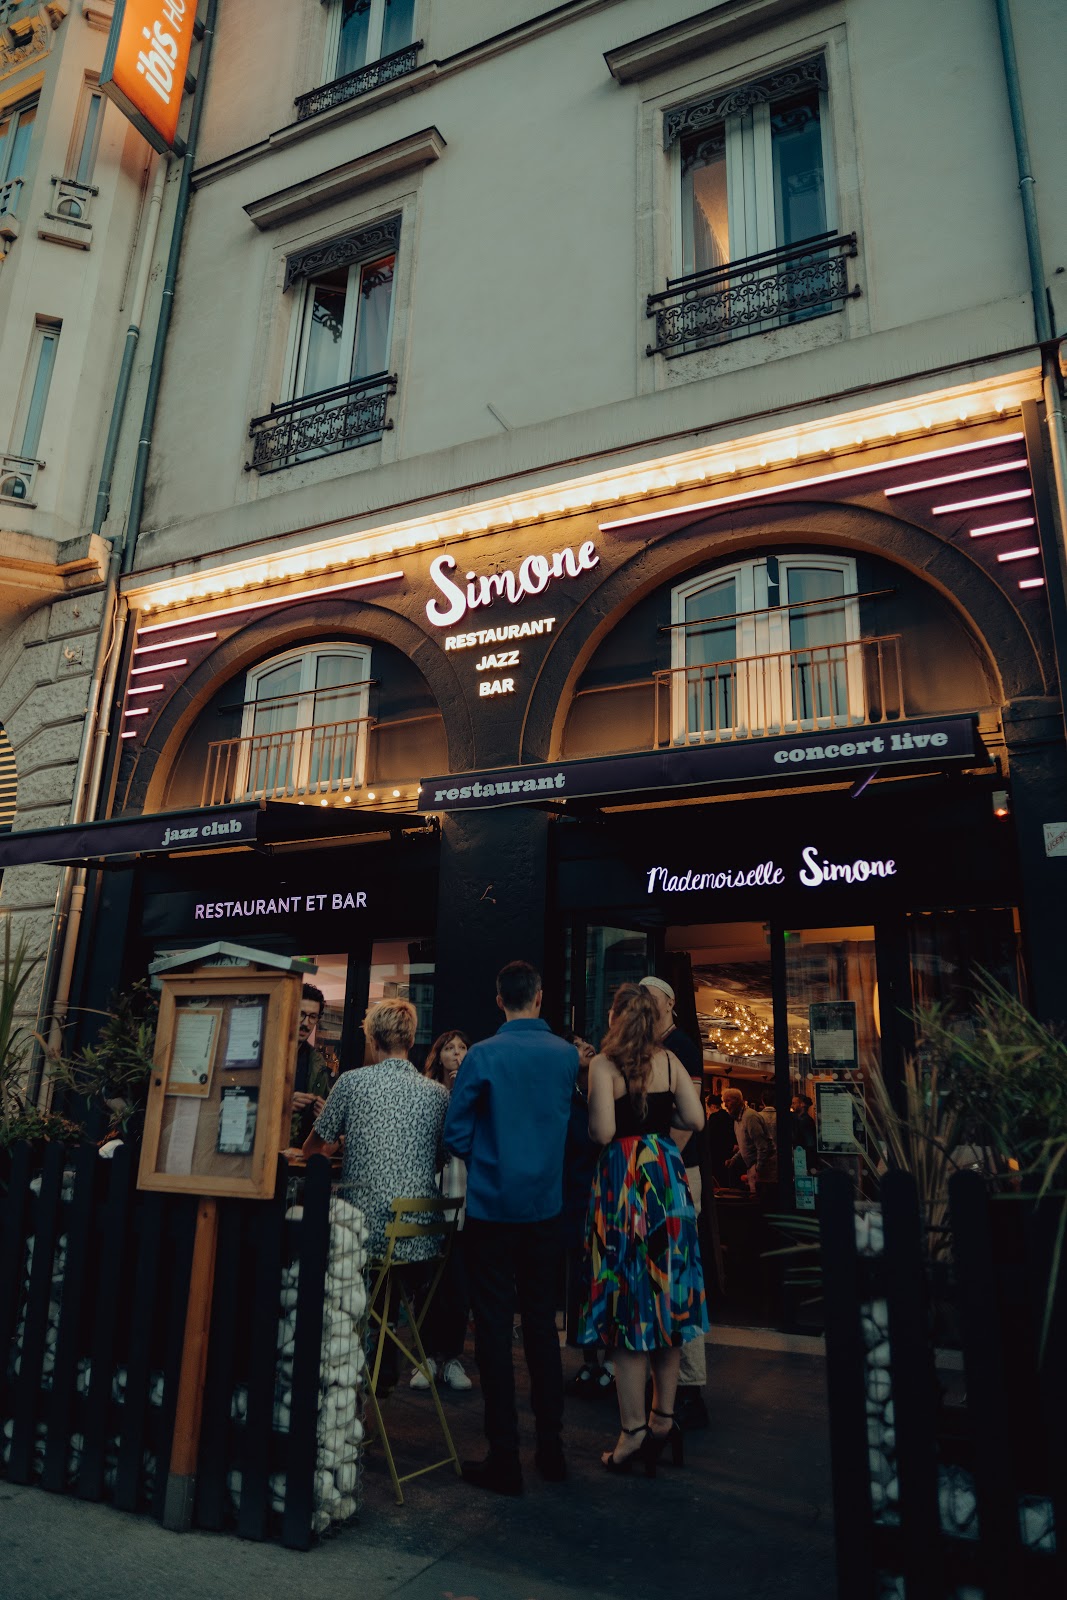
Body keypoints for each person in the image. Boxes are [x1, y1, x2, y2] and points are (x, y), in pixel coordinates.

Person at [443, 960, 578, 1495]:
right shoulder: (566, 1056)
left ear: (500, 1000)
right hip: (545, 1208)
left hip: (492, 1210)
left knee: (494, 1330)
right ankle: (552, 1449)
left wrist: (490, 1160)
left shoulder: (483, 1055)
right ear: (539, 997)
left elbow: (455, 1134)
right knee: (543, 1328)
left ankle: (505, 1457)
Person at [579, 983, 707, 1476]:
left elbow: (604, 1133)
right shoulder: (672, 1062)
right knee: (668, 1302)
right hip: (667, 1181)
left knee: (626, 1306)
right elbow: (694, 1118)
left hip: (624, 1186)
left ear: (614, 1017)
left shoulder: (604, 1067)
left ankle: (632, 1430)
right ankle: (663, 1420)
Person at [303, 999, 448, 1262]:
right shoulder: (439, 1094)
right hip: (423, 1238)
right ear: (411, 1041)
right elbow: (439, 1160)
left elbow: (311, 1149)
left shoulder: (351, 1082)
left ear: (373, 1041)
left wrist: (341, 1146)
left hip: (364, 1235)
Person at [639, 975, 709, 1432]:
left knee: (677, 1276)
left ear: (667, 1001)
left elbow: (688, 1115)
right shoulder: (648, 1046)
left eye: (648, 996)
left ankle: (688, 1387)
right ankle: (665, 1388)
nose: (642, 1003)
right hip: (661, 1173)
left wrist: (664, 1163)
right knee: (660, 1278)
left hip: (676, 1174)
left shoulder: (681, 1044)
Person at [411, 1031, 474, 1394]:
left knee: (458, 1284)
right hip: (433, 1193)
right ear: (438, 1056)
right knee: (428, 1282)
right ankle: (425, 1356)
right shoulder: (427, 1091)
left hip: (465, 1195)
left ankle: (451, 1358)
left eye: (462, 1048)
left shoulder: (475, 1090)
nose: (456, 1053)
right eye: (449, 1048)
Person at [562, 1031, 613, 1397]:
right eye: (577, 1046)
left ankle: (612, 1359)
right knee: (583, 1281)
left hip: (611, 1199)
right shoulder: (566, 1102)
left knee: (609, 1277)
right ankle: (590, 1360)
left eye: (585, 1042)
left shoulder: (606, 1092)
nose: (587, 1046)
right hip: (579, 1201)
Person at [288, 983, 332, 1149]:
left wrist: (324, 1114)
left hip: (299, 1155)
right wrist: (284, 1106)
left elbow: (327, 1113)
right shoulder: (270, 1054)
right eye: (301, 1014)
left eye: (313, 1017)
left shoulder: (317, 1062)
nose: (306, 1023)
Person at [723, 1085, 775, 1190]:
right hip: (753, 1167)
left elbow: (763, 1146)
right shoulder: (737, 1119)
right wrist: (734, 1159)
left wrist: (758, 1169)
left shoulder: (750, 1117)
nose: (725, 1105)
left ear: (737, 1101)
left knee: (762, 1201)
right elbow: (746, 1145)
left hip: (764, 1169)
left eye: (727, 1101)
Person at [705, 1092, 738, 1186]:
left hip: (715, 1153)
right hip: (728, 1152)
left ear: (711, 1106)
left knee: (717, 1180)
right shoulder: (729, 1116)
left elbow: (710, 1137)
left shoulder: (713, 1117)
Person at [791, 1093, 818, 1170]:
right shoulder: (801, 1120)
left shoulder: (805, 1121)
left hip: (804, 1158)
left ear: (802, 1104)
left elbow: (810, 1143)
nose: (792, 1106)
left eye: (794, 1103)